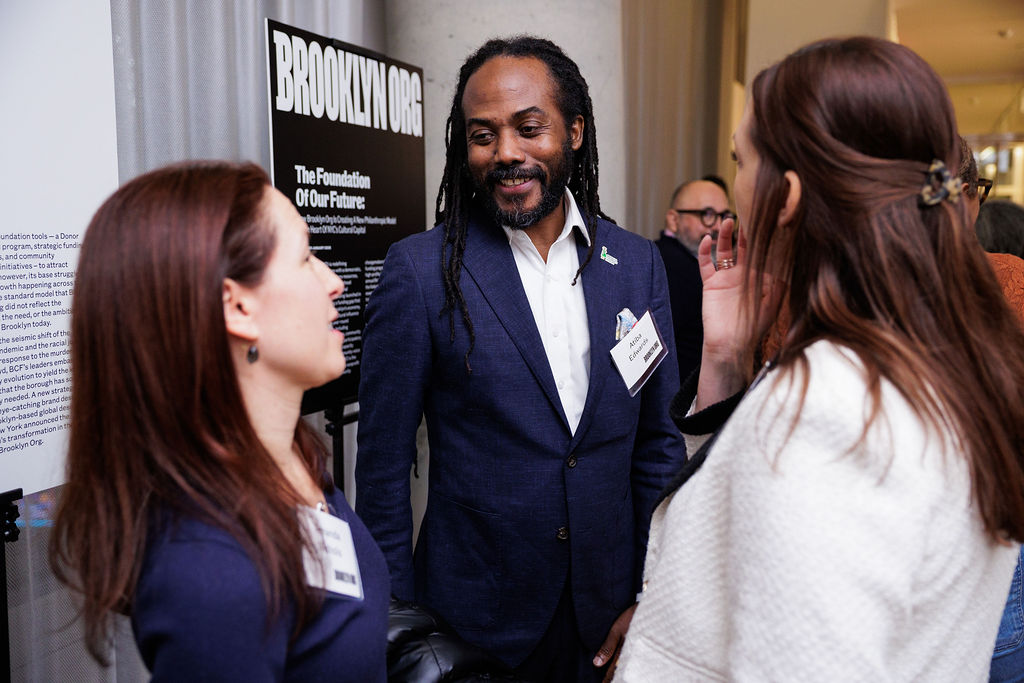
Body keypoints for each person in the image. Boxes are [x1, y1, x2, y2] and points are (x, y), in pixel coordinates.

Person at [614, 37, 1024, 681]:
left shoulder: (832, 409)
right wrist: (724, 358)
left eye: (740, 161)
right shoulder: (935, 355)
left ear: (791, 195)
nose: (734, 190)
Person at [355, 36, 686, 682]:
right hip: (472, 632)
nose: (506, 152)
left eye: (529, 128)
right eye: (483, 135)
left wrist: (651, 596)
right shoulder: (422, 273)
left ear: (576, 132)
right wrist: (401, 633)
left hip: (609, 624)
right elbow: (384, 475)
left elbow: (657, 446)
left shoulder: (636, 265)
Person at [49, 161, 390, 680]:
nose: (334, 282)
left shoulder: (292, 455)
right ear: (237, 306)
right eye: (304, 258)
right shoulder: (207, 578)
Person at [655, 179, 733, 382]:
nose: (717, 226)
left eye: (724, 216)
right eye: (707, 215)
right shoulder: (669, 266)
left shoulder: (692, 263)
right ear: (674, 220)